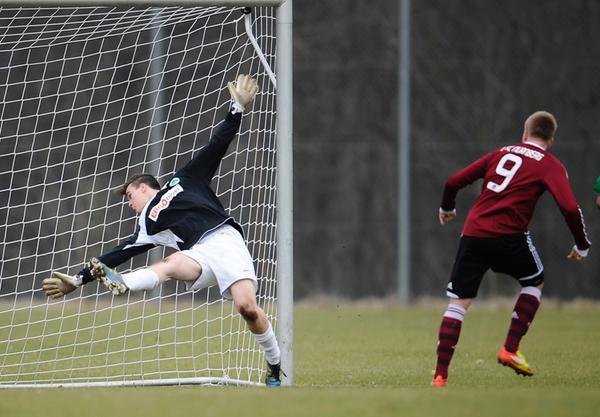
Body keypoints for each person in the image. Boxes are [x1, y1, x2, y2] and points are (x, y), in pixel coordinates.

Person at [42, 74, 284, 387]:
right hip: (198, 255)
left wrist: (237, 107)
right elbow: (117, 253)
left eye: (129, 196)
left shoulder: (184, 179)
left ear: (145, 188)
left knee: (247, 309)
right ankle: (123, 285)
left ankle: (275, 366)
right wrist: (77, 279)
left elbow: (217, 145)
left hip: (225, 241)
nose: (129, 204)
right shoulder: (147, 225)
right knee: (170, 264)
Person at [431, 110, 591, 387]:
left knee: (458, 303)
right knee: (534, 283)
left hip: (474, 233)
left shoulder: (500, 153)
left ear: (524, 133)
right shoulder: (551, 165)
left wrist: (447, 207)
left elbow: (453, 181)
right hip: (510, 237)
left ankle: (440, 376)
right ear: (551, 140)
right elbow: (568, 206)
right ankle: (510, 349)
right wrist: (582, 243)